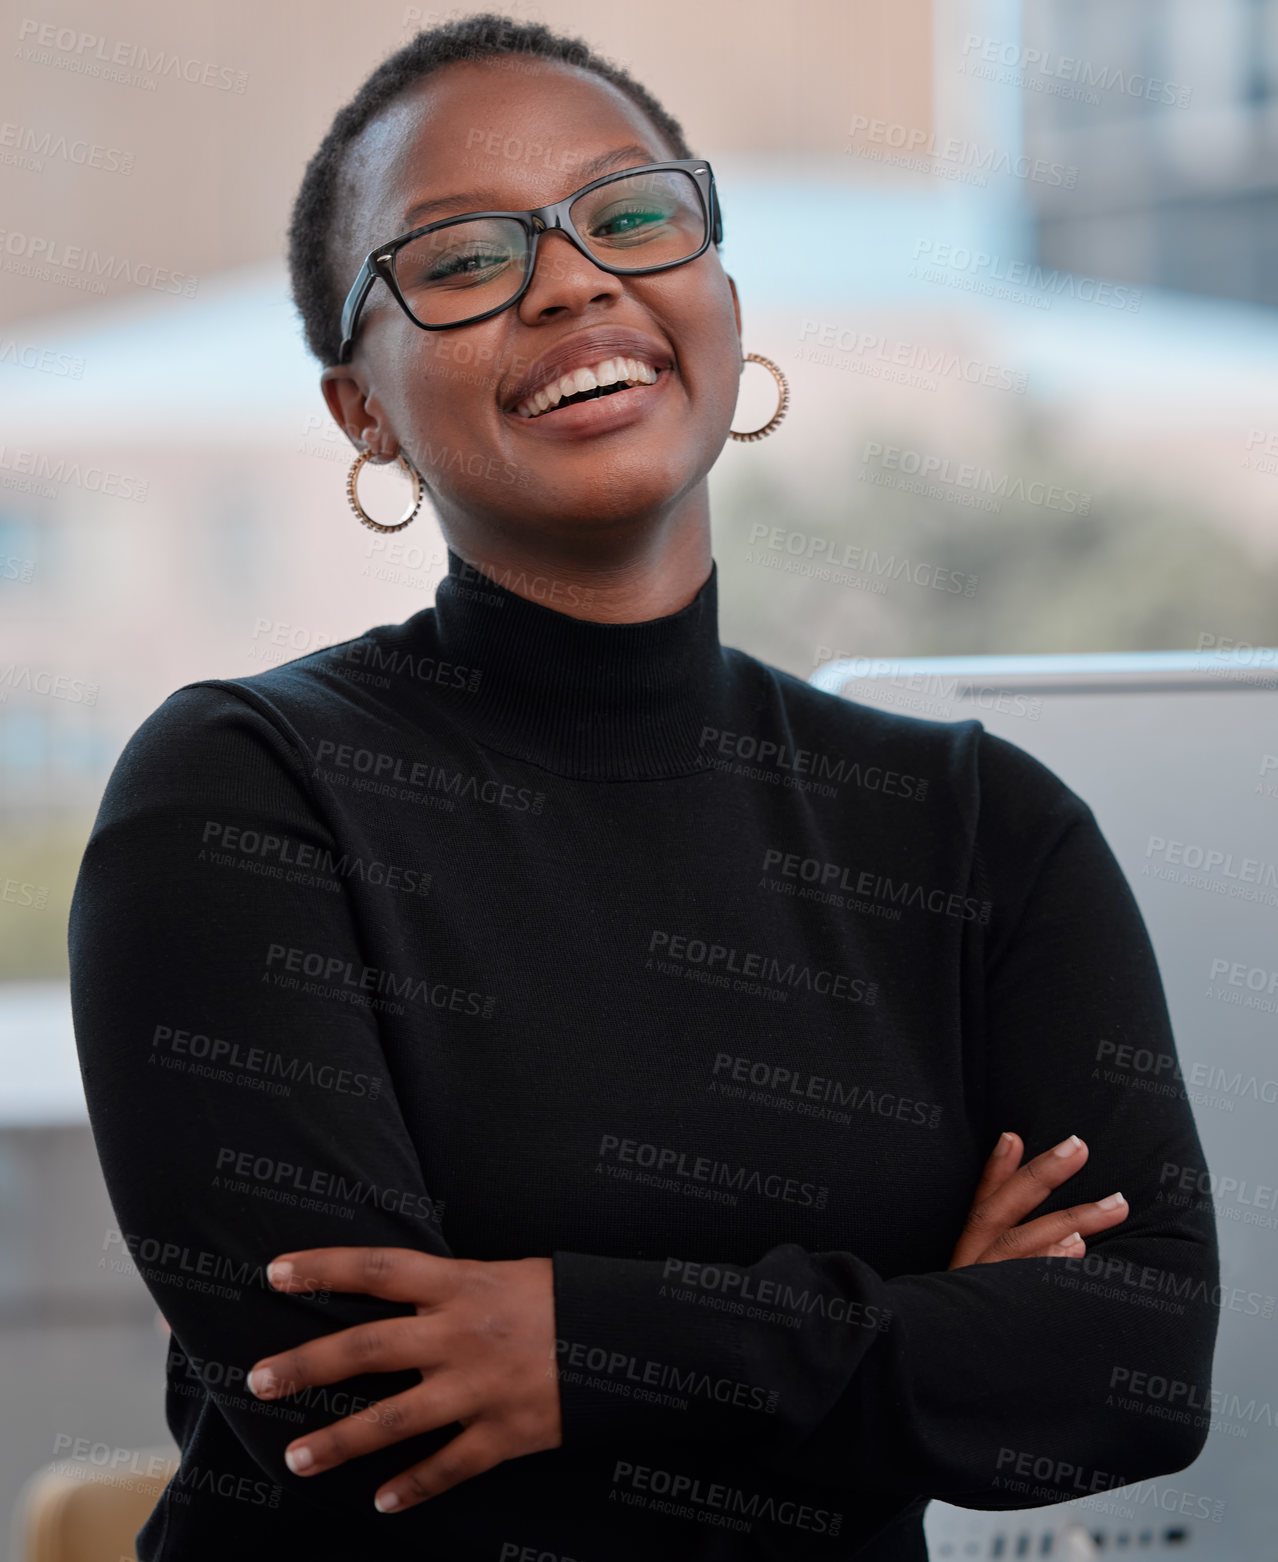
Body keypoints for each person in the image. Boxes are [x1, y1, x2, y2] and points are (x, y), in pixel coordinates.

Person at [69, 12, 1219, 1560]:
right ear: (361, 409)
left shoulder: (974, 824)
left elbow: (1133, 1369)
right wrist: (922, 1330)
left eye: (630, 216)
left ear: (721, 298)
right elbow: (354, 1432)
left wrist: (568, 1344)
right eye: (464, 260)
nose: (571, 278)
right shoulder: (242, 792)